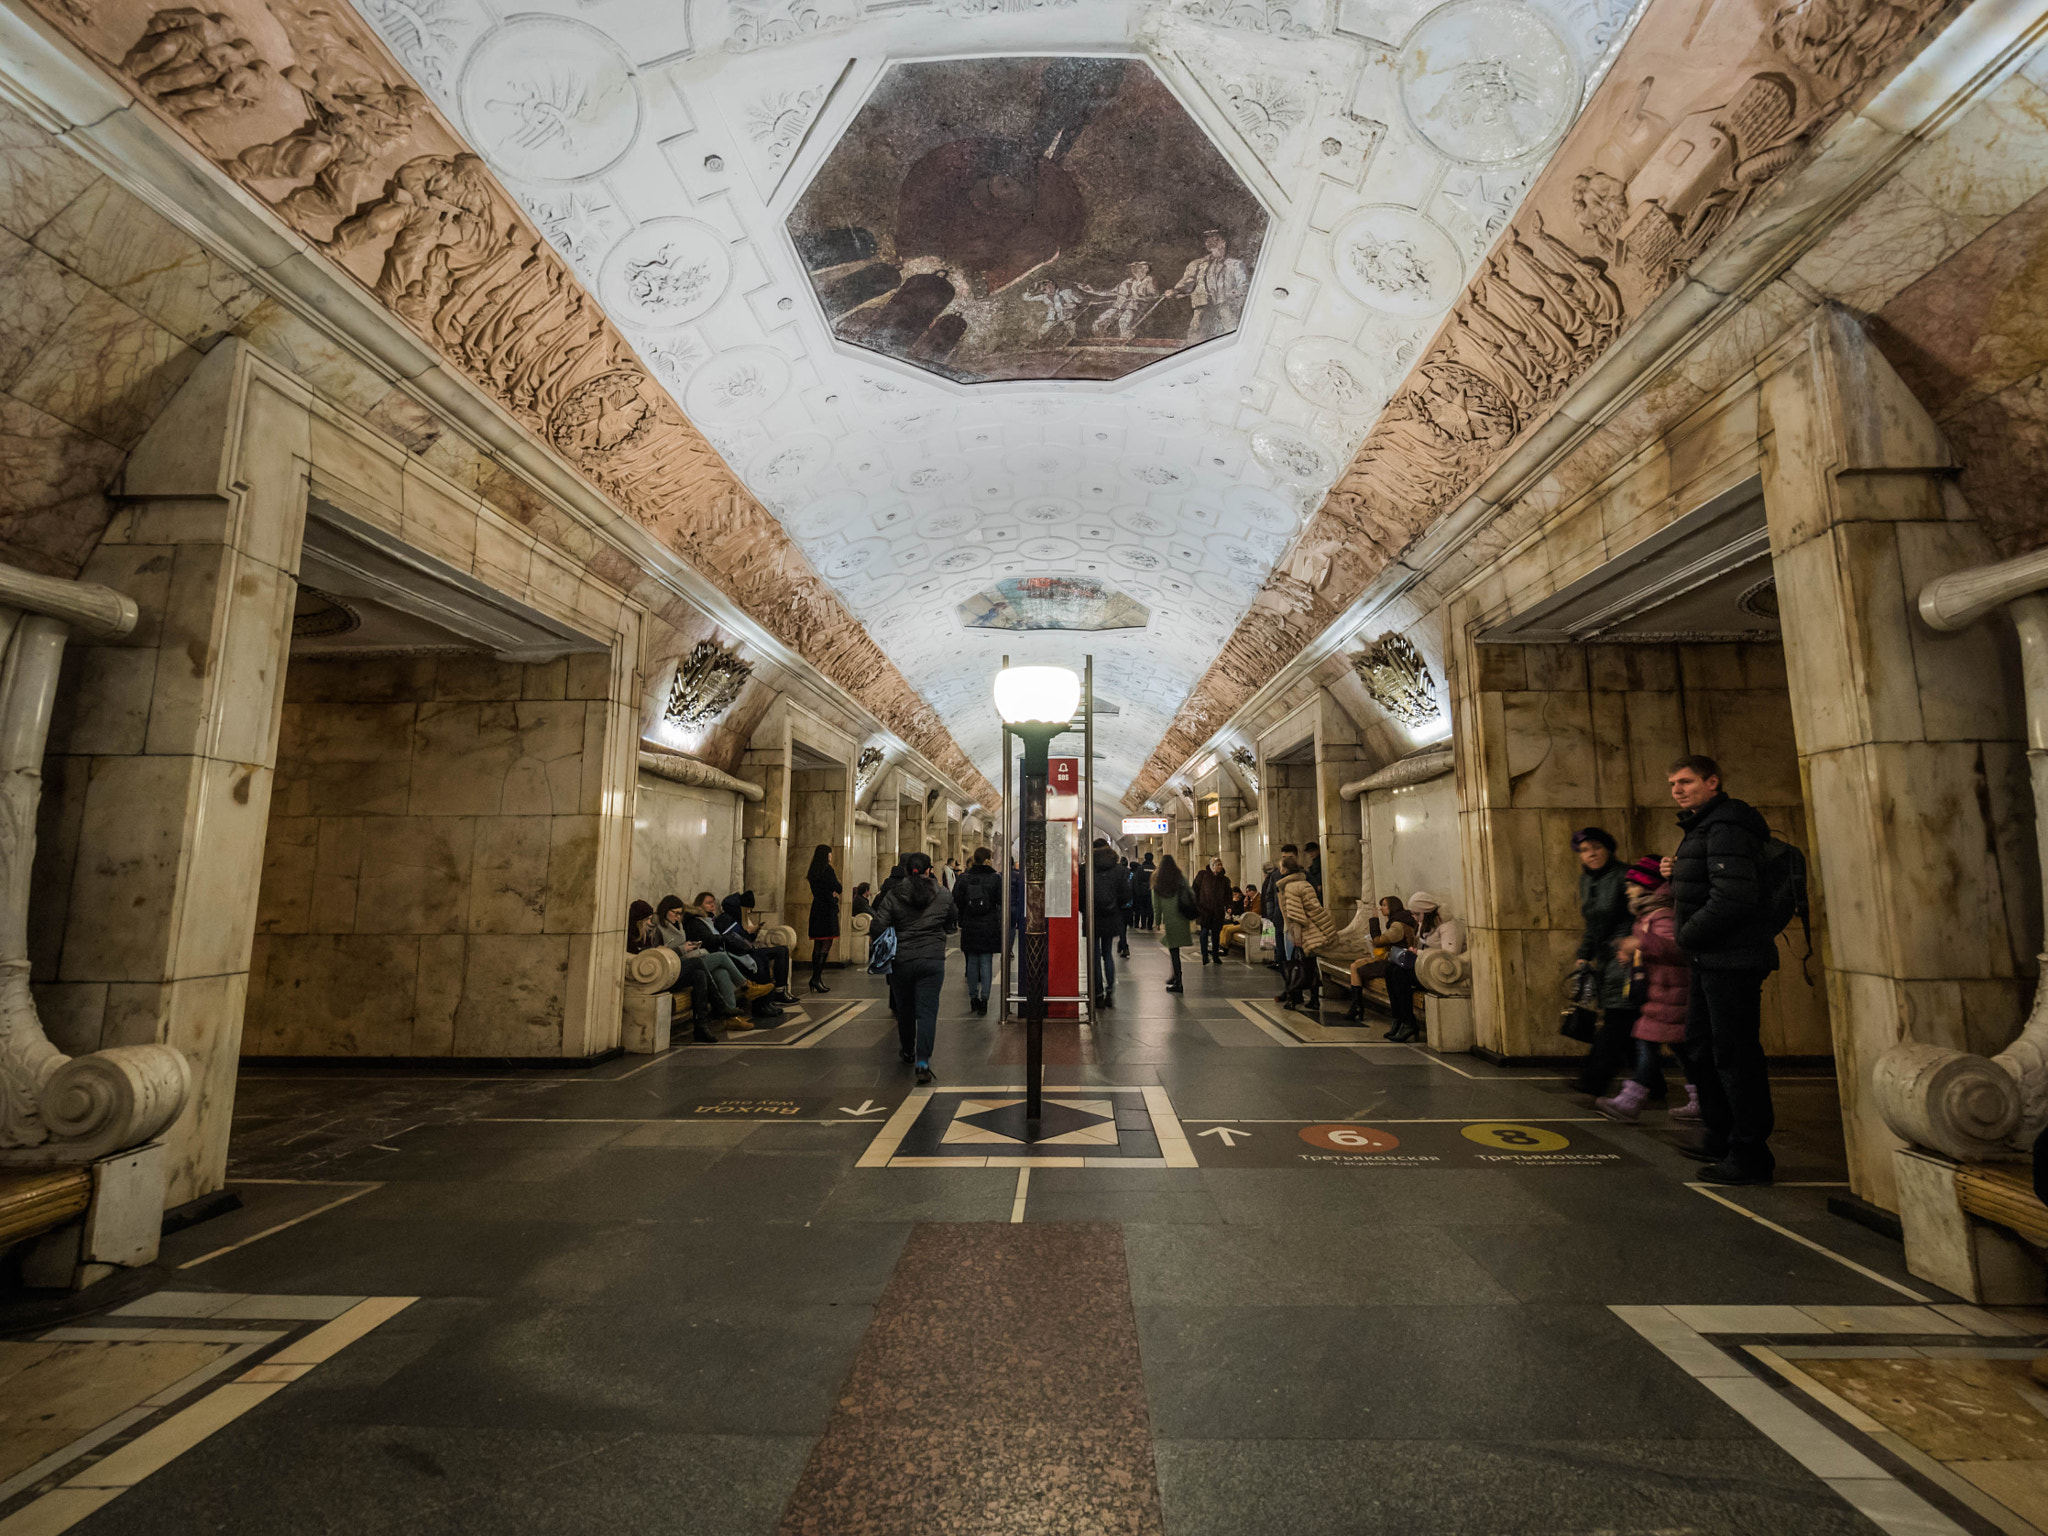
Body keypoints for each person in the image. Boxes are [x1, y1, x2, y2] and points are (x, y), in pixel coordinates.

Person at [1661, 755, 1781, 1185]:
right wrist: (1677, 875)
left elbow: (1733, 897)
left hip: (1733, 959)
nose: (1677, 789)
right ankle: (1723, 1134)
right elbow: (1708, 884)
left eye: (1687, 781)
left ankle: (1749, 1151)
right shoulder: (1703, 828)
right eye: (1673, 783)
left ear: (1713, 782)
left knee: (1735, 1054)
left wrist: (1688, 934)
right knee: (1698, 1044)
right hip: (1710, 959)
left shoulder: (1727, 826)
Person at [1598, 858, 1696, 1122]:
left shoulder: (1663, 914)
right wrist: (1632, 954)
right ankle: (1701, 1098)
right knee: (1681, 1050)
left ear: (1646, 886)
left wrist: (1638, 942)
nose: (1627, 890)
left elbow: (1674, 949)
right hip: (1662, 995)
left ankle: (1630, 1101)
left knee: (1647, 1044)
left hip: (1671, 994)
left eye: (1631, 885)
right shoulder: (1647, 914)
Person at [872, 851, 956, 1083]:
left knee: (905, 1010)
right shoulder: (943, 895)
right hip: (932, 960)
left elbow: (878, 925)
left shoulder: (894, 894)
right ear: (929, 870)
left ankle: (908, 1050)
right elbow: (952, 922)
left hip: (902, 961)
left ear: (908, 870)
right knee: (928, 1013)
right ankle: (922, 1064)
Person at [1568, 828, 1638, 1099]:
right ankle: (1651, 1082)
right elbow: (1592, 922)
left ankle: (1594, 1079)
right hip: (1605, 958)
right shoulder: (1587, 881)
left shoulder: (1625, 876)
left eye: (1596, 847)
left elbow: (1639, 913)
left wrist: (1632, 943)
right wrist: (1584, 954)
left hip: (1625, 956)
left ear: (1608, 848)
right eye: (1585, 850)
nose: (1591, 854)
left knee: (1617, 1018)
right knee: (1626, 1023)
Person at [651, 894, 772, 1025]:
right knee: (721, 957)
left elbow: (683, 944)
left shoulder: (679, 926)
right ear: (665, 910)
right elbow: (657, 955)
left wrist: (690, 946)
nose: (677, 917)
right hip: (677, 967)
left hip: (689, 959)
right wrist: (682, 949)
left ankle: (731, 1018)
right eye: (674, 913)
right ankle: (746, 986)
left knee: (722, 973)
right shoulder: (660, 928)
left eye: (680, 913)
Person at [628, 900, 722, 1041]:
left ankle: (701, 1026)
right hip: (650, 976)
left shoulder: (650, 933)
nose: (649, 922)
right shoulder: (633, 935)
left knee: (699, 975)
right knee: (697, 962)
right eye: (646, 919)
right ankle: (720, 1004)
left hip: (662, 972)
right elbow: (639, 957)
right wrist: (659, 950)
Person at [1385, 890, 1463, 1042]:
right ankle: (1398, 1018)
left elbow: (1450, 956)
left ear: (1427, 913)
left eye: (1417, 914)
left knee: (1399, 975)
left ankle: (1409, 1023)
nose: (1414, 918)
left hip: (1441, 972)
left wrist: (1418, 953)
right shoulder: (1425, 924)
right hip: (1426, 968)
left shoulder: (1449, 926)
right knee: (1390, 970)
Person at [1343, 896, 1416, 1026]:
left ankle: (1357, 1007)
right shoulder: (1397, 922)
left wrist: (1374, 921)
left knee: (1357, 968)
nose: (1381, 908)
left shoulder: (1398, 925)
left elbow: (1378, 941)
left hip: (1396, 962)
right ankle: (1356, 1006)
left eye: (1384, 905)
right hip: (1391, 959)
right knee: (1355, 965)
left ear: (1392, 907)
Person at [1275, 854, 1334, 1014]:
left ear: (1285, 869)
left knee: (1293, 964)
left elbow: (1295, 915)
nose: (1280, 869)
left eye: (1281, 866)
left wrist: (1297, 937)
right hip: (1312, 930)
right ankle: (1314, 1000)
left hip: (1296, 932)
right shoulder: (1306, 883)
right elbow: (1315, 908)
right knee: (1310, 964)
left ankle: (1293, 999)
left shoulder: (1290, 887)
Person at [1167, 229, 1249, 341]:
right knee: (1195, 332)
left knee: (1231, 331)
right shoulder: (1201, 265)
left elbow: (1244, 288)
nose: (1210, 243)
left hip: (1227, 307)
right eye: (1208, 240)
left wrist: (1229, 296)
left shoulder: (1236, 265)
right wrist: (1176, 291)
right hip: (1206, 307)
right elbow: (1190, 283)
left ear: (1223, 243)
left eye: (1215, 240)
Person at [715, 892, 797, 1003]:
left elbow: (744, 939)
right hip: (741, 953)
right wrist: (747, 932)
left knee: (782, 950)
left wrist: (753, 932)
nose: (749, 912)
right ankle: (765, 1000)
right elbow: (733, 939)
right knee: (761, 959)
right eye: (748, 909)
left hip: (748, 949)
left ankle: (780, 990)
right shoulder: (725, 919)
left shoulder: (738, 917)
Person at [955, 846, 1002, 1015]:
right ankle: (985, 999)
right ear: (989, 859)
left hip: (969, 925)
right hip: (988, 926)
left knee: (972, 962)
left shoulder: (964, 878)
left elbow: (957, 900)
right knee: (986, 963)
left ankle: (973, 998)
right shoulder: (995, 878)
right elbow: (1001, 901)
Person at [1090, 837, 1126, 1008]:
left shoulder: (1087, 868)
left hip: (1092, 917)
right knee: (1107, 954)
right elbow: (1127, 894)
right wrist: (1116, 906)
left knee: (1095, 956)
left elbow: (1080, 894)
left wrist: (1085, 909)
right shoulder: (1118, 870)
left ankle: (1097, 993)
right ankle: (1110, 988)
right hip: (1112, 916)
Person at [1152, 854, 1193, 992]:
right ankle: (1175, 976)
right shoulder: (1180, 877)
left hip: (1169, 919)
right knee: (1174, 949)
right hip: (1181, 916)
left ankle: (1178, 982)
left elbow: (1156, 904)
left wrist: (1157, 921)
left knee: (1173, 950)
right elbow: (1190, 893)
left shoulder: (1158, 881)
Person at [804, 844, 840, 995]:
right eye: (830, 854)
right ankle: (816, 978)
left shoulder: (813, 870)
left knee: (818, 944)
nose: (831, 856)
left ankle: (815, 978)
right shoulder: (828, 870)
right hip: (827, 910)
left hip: (816, 908)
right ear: (826, 855)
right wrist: (833, 893)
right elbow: (838, 887)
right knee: (826, 943)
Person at [1261, 845, 1298, 975]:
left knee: (1295, 958)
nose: (1286, 862)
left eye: (1290, 858)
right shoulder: (1276, 876)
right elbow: (1269, 896)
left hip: (1296, 923)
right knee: (1281, 955)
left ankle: (1294, 988)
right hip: (1279, 920)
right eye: (1284, 859)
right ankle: (1288, 986)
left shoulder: (1303, 876)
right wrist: (1271, 915)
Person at [1193, 855, 1233, 965]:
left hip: (1218, 911)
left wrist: (1229, 906)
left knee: (1216, 934)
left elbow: (1228, 895)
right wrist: (1196, 905)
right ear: (1212, 866)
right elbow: (1195, 890)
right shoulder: (1202, 875)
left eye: (1221, 865)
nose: (1220, 867)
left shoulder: (1224, 880)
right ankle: (1204, 955)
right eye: (1217, 865)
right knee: (1204, 932)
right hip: (1204, 910)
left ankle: (1215, 955)